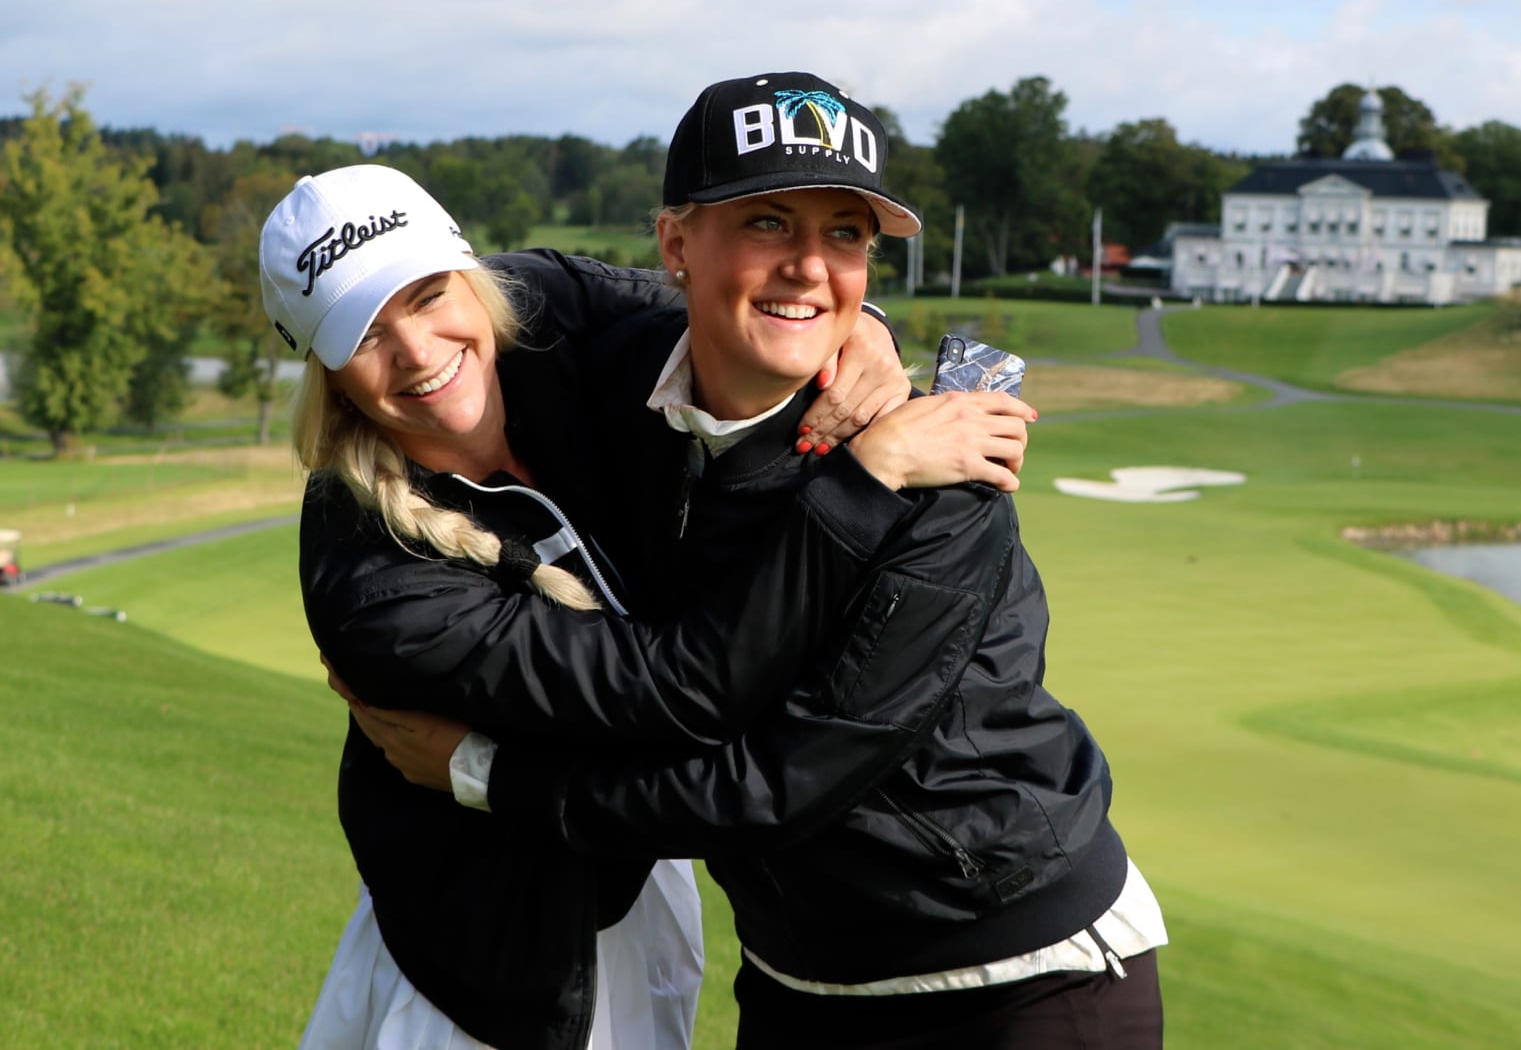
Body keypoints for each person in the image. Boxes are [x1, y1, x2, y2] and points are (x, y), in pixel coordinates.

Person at [352, 71, 1167, 1049]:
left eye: (846, 237)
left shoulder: (940, 486)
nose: (811, 268)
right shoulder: (624, 392)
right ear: (676, 244)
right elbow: (445, 321)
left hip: (1018, 978)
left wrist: (485, 773)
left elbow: (771, 789)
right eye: (769, 223)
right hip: (796, 977)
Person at [263, 162, 1034, 1050]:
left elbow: (713, 295)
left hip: (633, 897)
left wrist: (859, 325)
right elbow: (683, 691)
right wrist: (868, 478)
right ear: (326, 370)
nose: (418, 350)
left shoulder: (548, 305)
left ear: (475, 278)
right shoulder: (372, 584)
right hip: (488, 965)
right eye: (364, 334)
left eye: (430, 295)